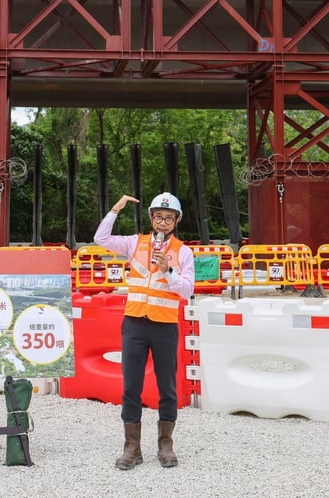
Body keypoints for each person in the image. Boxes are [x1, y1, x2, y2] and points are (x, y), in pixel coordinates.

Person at [93, 192, 195, 470]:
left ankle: (165, 445)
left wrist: (169, 271)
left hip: (164, 325)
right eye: (159, 217)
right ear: (151, 218)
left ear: (176, 221)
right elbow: (100, 239)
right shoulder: (134, 243)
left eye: (169, 218)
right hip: (135, 324)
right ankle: (132, 448)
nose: (163, 222)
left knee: (167, 387)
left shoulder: (183, 252)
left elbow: (187, 290)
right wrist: (115, 209)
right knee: (131, 387)